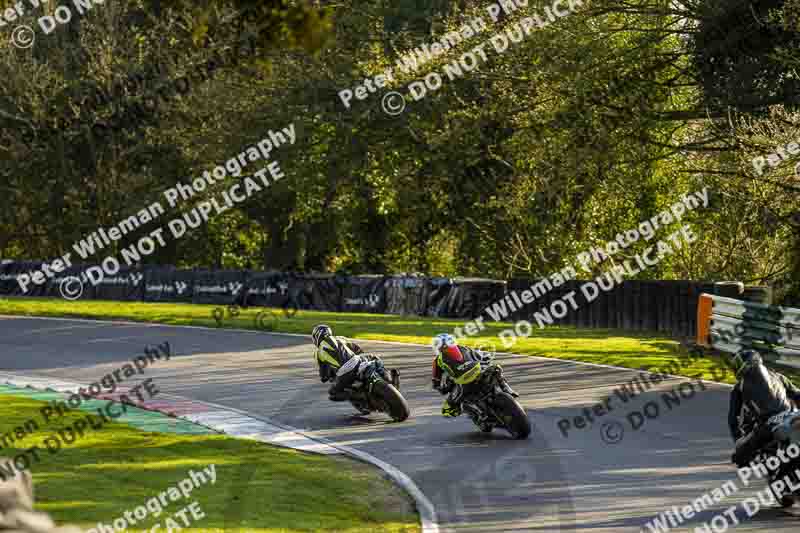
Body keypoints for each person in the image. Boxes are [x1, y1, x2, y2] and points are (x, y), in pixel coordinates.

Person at [729, 349, 800, 467]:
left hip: (768, 424)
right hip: (791, 414)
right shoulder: (778, 376)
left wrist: (737, 438)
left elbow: (733, 417)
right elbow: (797, 394)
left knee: (739, 457)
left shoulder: (738, 388)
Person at [431, 333, 516, 422]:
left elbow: (436, 380)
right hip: (475, 376)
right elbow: (480, 356)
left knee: (448, 409)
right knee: (496, 369)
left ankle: (481, 414)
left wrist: (441, 387)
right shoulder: (463, 348)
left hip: (465, 384)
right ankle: (506, 389)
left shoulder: (438, 360)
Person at [312, 324, 377, 402]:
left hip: (344, 372)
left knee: (333, 393)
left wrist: (324, 378)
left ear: (316, 337)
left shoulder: (318, 352)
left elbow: (324, 374)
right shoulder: (339, 338)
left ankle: (361, 397)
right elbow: (357, 349)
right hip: (357, 361)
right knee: (374, 358)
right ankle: (390, 379)